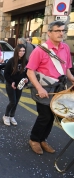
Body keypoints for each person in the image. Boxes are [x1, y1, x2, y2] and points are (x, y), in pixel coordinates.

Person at [27, 21, 74, 155]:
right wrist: (39, 89)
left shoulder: (65, 48)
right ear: (49, 33)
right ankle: (34, 139)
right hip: (43, 88)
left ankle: (43, 139)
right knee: (45, 116)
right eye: (57, 30)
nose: (61, 33)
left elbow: (67, 70)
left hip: (58, 88)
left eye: (63, 31)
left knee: (52, 116)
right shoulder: (39, 50)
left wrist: (72, 80)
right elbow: (30, 72)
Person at [3, 44, 28, 126]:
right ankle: (6, 116)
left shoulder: (26, 61)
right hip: (11, 84)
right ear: (16, 51)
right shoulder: (11, 61)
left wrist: (26, 79)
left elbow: (27, 73)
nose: (22, 52)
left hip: (20, 84)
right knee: (12, 101)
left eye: (23, 51)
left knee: (16, 101)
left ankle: (12, 116)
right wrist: (11, 82)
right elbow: (6, 74)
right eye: (20, 51)